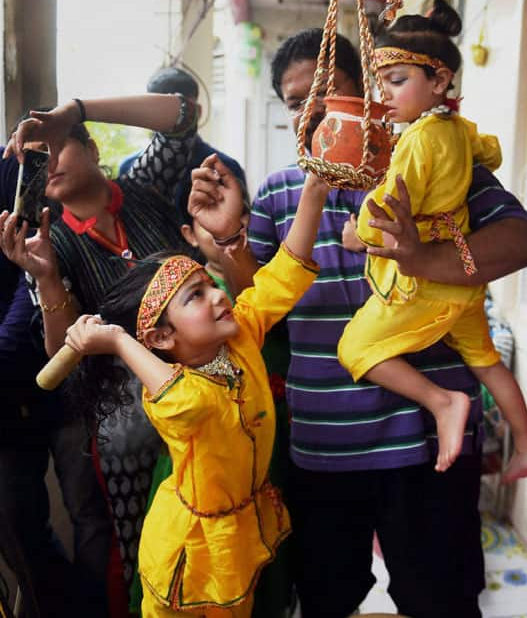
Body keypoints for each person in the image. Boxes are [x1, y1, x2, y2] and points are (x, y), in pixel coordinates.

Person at [238, 27, 527, 618]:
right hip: (323, 448)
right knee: (326, 600)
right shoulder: (274, 196)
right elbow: (258, 308)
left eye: (330, 92)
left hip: (424, 448)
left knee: (442, 601)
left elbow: (520, 243)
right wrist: (227, 245)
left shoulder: (428, 160)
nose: (316, 110)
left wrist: (423, 257)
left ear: (369, 96)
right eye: (297, 102)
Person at [61, 164, 330, 617]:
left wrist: (316, 188)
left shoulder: (241, 336)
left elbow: (283, 276)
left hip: (238, 530)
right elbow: (180, 398)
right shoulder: (185, 395)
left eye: (208, 286)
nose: (219, 295)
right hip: (193, 547)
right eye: (195, 298)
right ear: (162, 339)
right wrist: (119, 340)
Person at [0, 94, 200, 608]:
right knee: (138, 548)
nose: (46, 167)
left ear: (90, 147)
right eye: (33, 162)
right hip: (127, 425)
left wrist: (77, 109)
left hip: (205, 398)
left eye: (56, 148)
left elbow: (182, 117)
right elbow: (63, 357)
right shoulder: (52, 242)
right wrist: (44, 278)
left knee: (213, 532)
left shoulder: (145, 191)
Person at [337, 0, 527, 480]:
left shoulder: (418, 141)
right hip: (462, 278)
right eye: (381, 83)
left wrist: (358, 234)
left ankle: (443, 402)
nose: (384, 94)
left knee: (354, 348)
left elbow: (386, 204)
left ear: (441, 80)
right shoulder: (452, 127)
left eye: (397, 81)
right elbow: (487, 150)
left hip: (427, 284)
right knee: (486, 360)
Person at [0, 148, 112, 617]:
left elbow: (37, 268)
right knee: (17, 526)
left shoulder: (14, 168)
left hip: (64, 384)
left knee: (88, 515)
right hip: (9, 400)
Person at [120, 66, 246, 215]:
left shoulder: (225, 168)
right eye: (163, 111)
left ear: (197, 112)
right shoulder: (130, 168)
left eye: (183, 110)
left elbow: (241, 226)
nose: (175, 119)